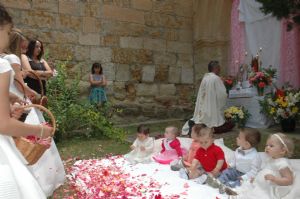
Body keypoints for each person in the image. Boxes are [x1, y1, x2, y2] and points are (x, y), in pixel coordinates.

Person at [0, 4, 53, 198]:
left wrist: (9, 102)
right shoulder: (3, 64)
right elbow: (3, 125)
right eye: (7, 31)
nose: (7, 37)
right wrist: (40, 130)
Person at [234, 133, 295, 199]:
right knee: (248, 188)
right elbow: (265, 170)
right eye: (267, 145)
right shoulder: (271, 158)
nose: (267, 147)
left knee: (257, 195)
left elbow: (289, 180)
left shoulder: (282, 163)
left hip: (270, 188)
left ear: (282, 151)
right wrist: (256, 178)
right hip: (262, 185)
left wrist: (275, 179)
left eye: (271, 146)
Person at [182, 61, 231, 135]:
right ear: (216, 68)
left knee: (204, 119)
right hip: (213, 107)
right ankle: (211, 128)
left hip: (204, 106)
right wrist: (224, 84)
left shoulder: (205, 78)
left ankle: (198, 126)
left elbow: (201, 94)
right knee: (220, 123)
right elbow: (222, 94)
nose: (220, 70)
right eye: (219, 68)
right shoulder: (216, 78)